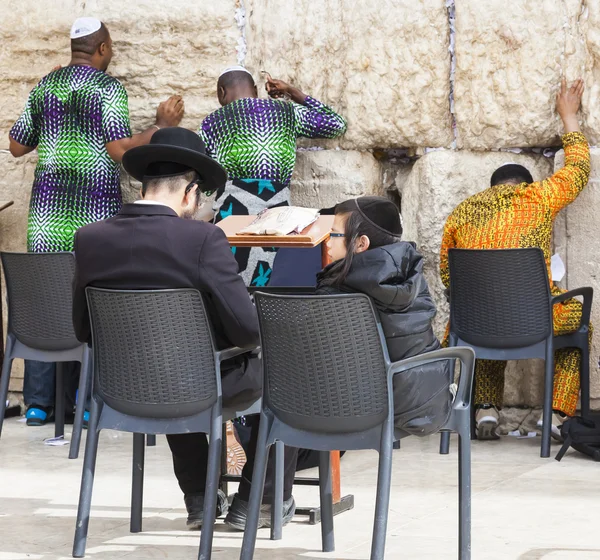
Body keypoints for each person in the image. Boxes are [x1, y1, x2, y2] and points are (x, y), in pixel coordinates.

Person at [71, 127, 298, 531]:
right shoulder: (203, 238)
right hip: (198, 385)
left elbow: (83, 328)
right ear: (190, 191)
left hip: (120, 387)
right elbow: (247, 331)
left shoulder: (89, 237)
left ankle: (200, 499)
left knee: (167, 363)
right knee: (297, 376)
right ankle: (256, 502)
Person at [8, 16, 183, 426]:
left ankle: (39, 404)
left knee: (48, 302)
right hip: (94, 220)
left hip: (47, 217)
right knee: (93, 303)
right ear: (102, 48)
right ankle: (86, 403)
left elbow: (17, 145)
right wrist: (161, 126)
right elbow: (121, 150)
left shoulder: (46, 86)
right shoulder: (107, 89)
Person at [440, 79, 591, 440]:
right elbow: (580, 170)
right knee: (578, 323)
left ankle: (486, 410)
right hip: (535, 317)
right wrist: (568, 116)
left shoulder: (461, 213)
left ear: (492, 187)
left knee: (486, 318)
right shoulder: (537, 197)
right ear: (524, 184)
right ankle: (554, 413)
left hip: (474, 321)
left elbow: (448, 276)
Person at [198, 66, 347, 286]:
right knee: (276, 279)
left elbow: (207, 187)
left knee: (233, 283)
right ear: (256, 90)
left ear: (221, 92)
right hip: (278, 217)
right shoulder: (287, 112)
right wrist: (294, 93)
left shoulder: (211, 123)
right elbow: (336, 125)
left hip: (232, 216)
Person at [316, 197, 452, 436]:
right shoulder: (411, 276)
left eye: (333, 234)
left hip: (371, 407)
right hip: (426, 399)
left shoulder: (340, 289)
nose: (326, 242)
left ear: (360, 243)